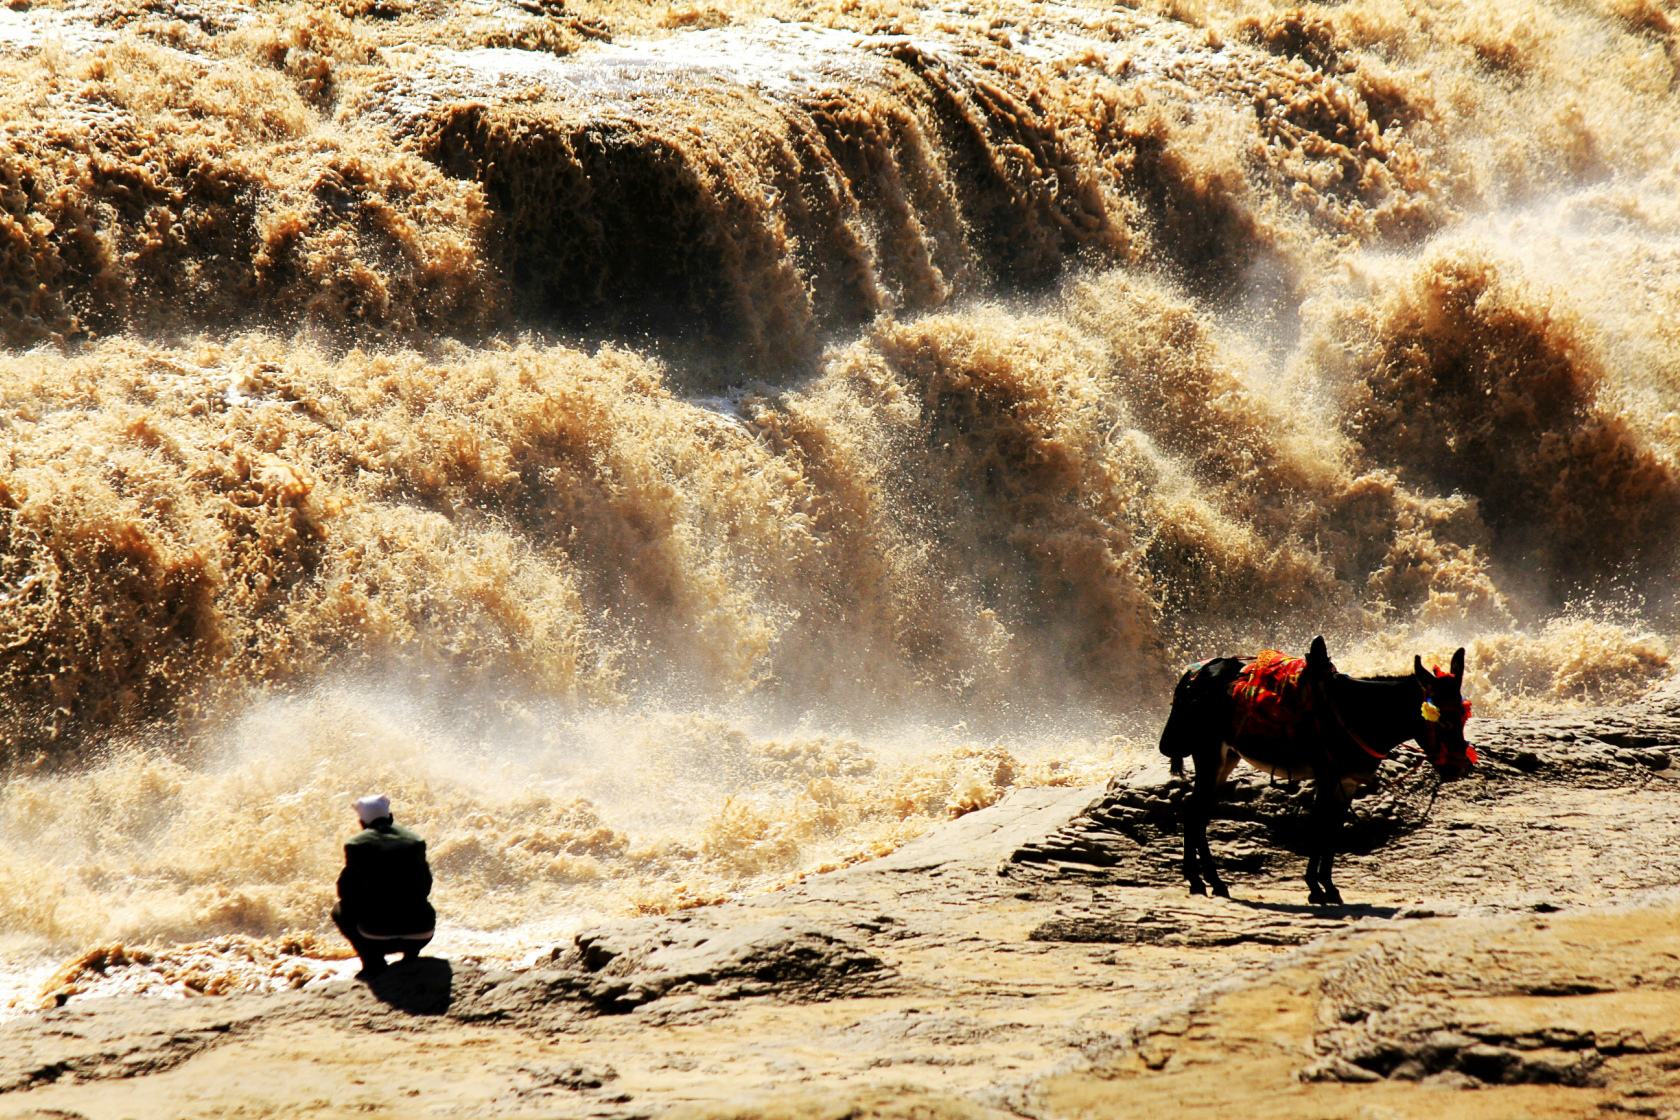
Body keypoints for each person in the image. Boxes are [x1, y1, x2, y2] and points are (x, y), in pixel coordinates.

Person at [333, 794, 436, 980]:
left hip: (376, 936)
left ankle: (372, 962)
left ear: (362, 823)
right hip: (421, 932)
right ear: (390, 817)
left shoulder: (356, 844)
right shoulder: (415, 841)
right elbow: (426, 886)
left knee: (339, 910)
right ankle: (411, 959)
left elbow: (345, 892)